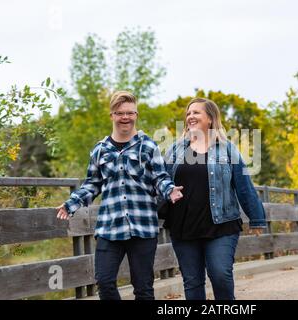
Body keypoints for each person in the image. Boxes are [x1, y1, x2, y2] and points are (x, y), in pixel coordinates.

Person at [56, 91, 183, 300]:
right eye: (120, 113)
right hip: (109, 227)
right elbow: (92, 184)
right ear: (112, 115)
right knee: (104, 282)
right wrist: (72, 203)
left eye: (130, 113)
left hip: (142, 227)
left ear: (136, 114)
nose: (126, 117)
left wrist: (169, 190)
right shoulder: (100, 150)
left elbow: (160, 177)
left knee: (143, 288)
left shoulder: (149, 146)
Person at [162, 97, 266, 300]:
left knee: (220, 275)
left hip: (221, 225)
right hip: (183, 226)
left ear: (210, 119)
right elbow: (160, 181)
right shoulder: (175, 150)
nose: (190, 116)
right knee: (192, 282)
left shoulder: (227, 150)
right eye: (188, 113)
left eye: (196, 112)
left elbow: (244, 186)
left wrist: (256, 218)